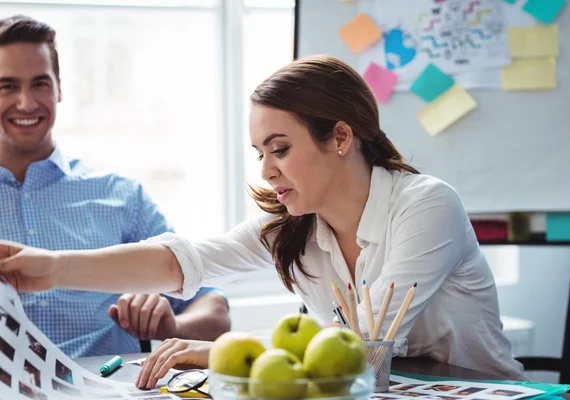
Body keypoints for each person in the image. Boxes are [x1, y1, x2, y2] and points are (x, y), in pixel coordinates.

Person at [0, 55, 526, 386]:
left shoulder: (427, 206)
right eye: (260, 153)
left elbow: (363, 345)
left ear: (340, 138)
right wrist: (52, 267)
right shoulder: (295, 226)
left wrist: (217, 351)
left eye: (281, 148)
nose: (268, 170)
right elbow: (189, 259)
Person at [0, 15, 230, 357]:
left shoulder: (122, 197)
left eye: (40, 83)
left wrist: (172, 328)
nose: (26, 103)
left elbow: (214, 308)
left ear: (60, 88)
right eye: (7, 86)